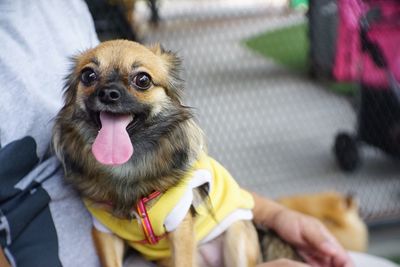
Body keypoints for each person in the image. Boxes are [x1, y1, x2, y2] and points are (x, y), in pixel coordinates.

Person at [0, 1, 393, 267]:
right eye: (90, 77)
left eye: (139, 80)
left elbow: (193, 192)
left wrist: (273, 214)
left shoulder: (55, 7)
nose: (109, 91)